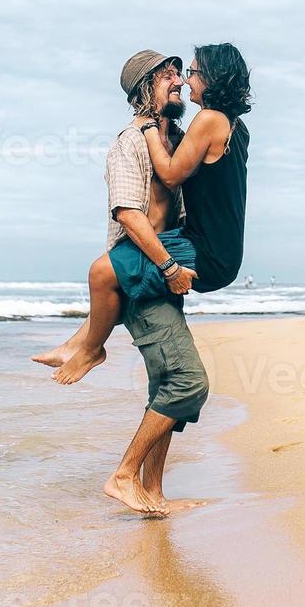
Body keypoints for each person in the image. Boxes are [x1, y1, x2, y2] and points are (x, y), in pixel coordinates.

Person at [31, 45, 251, 392]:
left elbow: (170, 176)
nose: (183, 81)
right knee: (107, 279)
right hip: (199, 254)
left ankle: (88, 350)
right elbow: (129, 212)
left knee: (102, 273)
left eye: (187, 73)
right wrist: (168, 267)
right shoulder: (226, 128)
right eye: (171, 76)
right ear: (146, 88)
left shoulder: (194, 129)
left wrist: (151, 128)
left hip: (193, 253)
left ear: (213, 77)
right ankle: (82, 345)